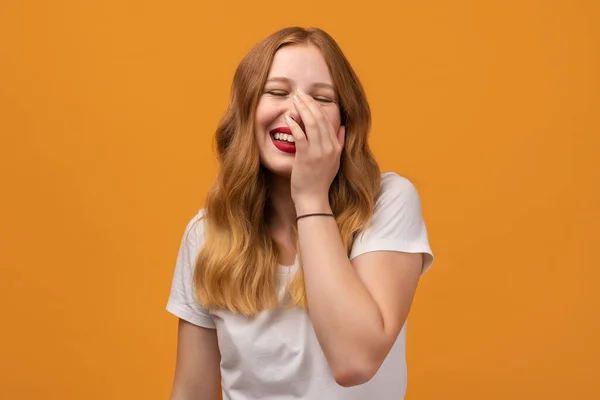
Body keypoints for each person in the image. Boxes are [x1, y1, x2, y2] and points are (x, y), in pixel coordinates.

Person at [166, 26, 434, 400]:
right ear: (246, 111)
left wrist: (311, 199)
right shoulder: (207, 234)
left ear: (344, 123)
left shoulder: (388, 202)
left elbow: (354, 361)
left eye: (321, 98)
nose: (297, 110)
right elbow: (191, 392)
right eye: (276, 92)